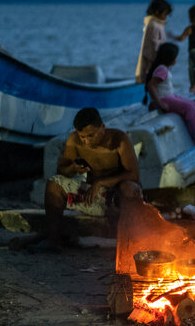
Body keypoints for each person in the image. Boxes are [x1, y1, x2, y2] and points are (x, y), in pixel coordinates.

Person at [37, 107, 144, 252]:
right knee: (54, 183)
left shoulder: (119, 139)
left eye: (91, 135)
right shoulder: (74, 140)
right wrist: (73, 168)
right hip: (92, 197)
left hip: (117, 199)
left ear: (102, 127)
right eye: (82, 137)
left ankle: (131, 242)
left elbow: (134, 176)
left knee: (129, 187)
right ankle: (54, 239)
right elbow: (61, 170)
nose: (86, 141)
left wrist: (101, 183)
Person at [143, 43, 195, 142]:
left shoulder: (164, 68)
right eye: (176, 57)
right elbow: (151, 86)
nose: (176, 59)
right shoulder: (162, 69)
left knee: (193, 103)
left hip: (170, 97)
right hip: (165, 99)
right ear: (170, 58)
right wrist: (160, 103)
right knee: (189, 107)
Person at [136, 0, 173, 83]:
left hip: (154, 62)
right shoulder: (154, 26)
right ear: (157, 12)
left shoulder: (156, 25)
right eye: (165, 14)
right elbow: (154, 46)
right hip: (153, 62)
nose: (166, 17)